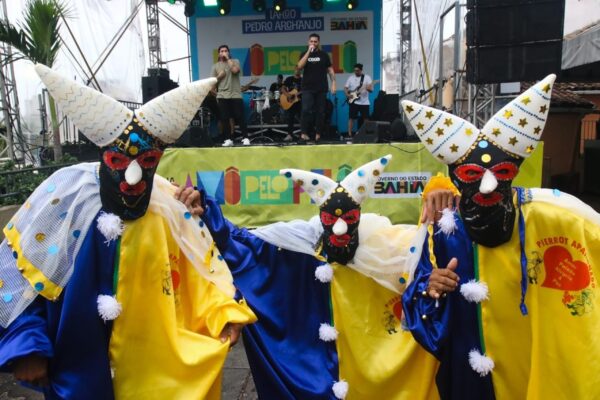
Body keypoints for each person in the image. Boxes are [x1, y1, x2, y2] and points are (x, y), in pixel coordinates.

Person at [0, 64, 257, 399]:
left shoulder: (168, 204)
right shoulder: (67, 199)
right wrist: (26, 345)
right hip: (78, 371)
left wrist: (224, 312)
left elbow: (201, 269)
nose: (133, 177)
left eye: (147, 161)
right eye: (119, 163)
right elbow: (20, 274)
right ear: (104, 157)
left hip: (156, 373)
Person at [176, 155, 459, 399]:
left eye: (348, 220)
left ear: (358, 218)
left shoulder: (383, 247)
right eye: (331, 220)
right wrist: (207, 213)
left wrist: (442, 194)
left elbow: (423, 248)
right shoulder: (298, 246)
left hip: (372, 369)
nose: (339, 229)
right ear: (321, 219)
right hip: (316, 371)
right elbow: (243, 245)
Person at [401, 74, 600, 399]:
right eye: (471, 174)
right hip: (468, 376)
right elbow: (415, 299)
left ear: (515, 173)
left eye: (502, 172)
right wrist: (430, 286)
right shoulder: (442, 232)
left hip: (531, 365)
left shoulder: (547, 217)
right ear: (456, 179)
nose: (488, 185)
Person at [297, 33, 336, 142]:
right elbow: (299, 66)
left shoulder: (324, 55)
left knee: (320, 112)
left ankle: (318, 135)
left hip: (321, 88)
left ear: (318, 42)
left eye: (315, 41)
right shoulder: (304, 54)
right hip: (307, 88)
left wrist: (334, 83)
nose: (313, 43)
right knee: (305, 110)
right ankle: (304, 134)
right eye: (311, 41)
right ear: (308, 42)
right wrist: (308, 52)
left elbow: (330, 70)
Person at [211, 44, 249, 147]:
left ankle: (245, 137)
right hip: (222, 95)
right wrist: (219, 77)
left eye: (225, 51)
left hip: (235, 94)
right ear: (218, 54)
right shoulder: (215, 66)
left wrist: (228, 59)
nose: (224, 52)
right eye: (222, 51)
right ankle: (228, 139)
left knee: (239, 116)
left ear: (229, 52)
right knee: (224, 118)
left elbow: (235, 71)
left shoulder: (235, 61)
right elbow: (212, 84)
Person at [344, 63, 374, 139]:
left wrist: (368, 88)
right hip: (354, 101)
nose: (356, 72)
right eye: (355, 70)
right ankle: (349, 134)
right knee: (351, 118)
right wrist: (347, 95)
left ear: (361, 70)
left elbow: (371, 90)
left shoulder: (367, 78)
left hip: (365, 102)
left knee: (366, 118)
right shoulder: (351, 78)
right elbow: (345, 87)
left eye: (357, 71)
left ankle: (366, 134)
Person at [280, 68, 302, 141]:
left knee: (303, 118)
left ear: (301, 71)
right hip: (290, 102)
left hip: (300, 101)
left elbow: (306, 89)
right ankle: (289, 135)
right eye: (296, 69)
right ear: (294, 70)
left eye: (299, 70)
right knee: (290, 118)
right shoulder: (289, 79)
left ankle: (303, 134)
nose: (297, 71)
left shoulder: (303, 80)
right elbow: (282, 89)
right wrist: (288, 95)